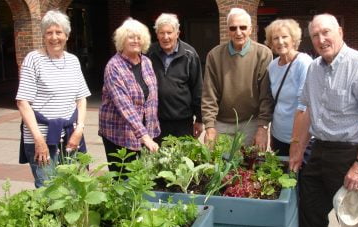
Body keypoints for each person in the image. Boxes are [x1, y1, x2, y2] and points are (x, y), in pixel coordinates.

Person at [289, 14, 358, 227]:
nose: (321, 39)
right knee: (309, 214)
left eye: (326, 32)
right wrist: (298, 149)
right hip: (319, 151)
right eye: (315, 35)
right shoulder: (313, 68)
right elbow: (308, 112)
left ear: (340, 32)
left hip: (351, 153)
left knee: (351, 225)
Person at [16, 10, 91, 188]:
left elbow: (81, 99)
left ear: (67, 35)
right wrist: (39, 140)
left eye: (59, 32)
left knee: (71, 188)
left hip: (70, 136)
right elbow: (23, 102)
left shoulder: (73, 61)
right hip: (41, 136)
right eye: (49, 32)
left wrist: (79, 130)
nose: (54, 37)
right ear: (43, 35)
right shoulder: (33, 59)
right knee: (48, 190)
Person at [202, 7, 273, 150]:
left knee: (249, 168)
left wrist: (263, 127)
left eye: (243, 27)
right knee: (220, 169)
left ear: (251, 29)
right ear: (228, 30)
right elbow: (209, 95)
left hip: (251, 123)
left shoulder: (263, 54)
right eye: (233, 28)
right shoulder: (214, 56)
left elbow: (266, 96)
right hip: (221, 124)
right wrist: (209, 127)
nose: (238, 32)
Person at [99, 18, 160, 173]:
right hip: (119, 134)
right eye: (131, 37)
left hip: (144, 132)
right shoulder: (114, 67)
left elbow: (152, 98)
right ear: (122, 40)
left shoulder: (146, 62)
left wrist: (151, 131)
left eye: (139, 37)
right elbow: (124, 105)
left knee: (143, 179)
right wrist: (144, 136)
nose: (135, 41)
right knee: (124, 182)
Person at [147, 13, 203, 144]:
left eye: (169, 32)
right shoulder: (149, 53)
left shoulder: (190, 54)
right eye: (161, 33)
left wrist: (200, 119)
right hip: (156, 121)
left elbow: (198, 89)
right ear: (157, 34)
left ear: (177, 33)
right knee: (159, 161)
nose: (165, 37)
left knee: (183, 161)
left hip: (183, 121)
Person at [264, 19, 313, 156]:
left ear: (294, 39)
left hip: (299, 139)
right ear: (271, 42)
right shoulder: (272, 66)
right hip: (277, 136)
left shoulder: (304, 63)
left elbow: (303, 106)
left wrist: (296, 142)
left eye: (285, 37)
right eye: (275, 38)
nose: (280, 42)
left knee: (299, 177)